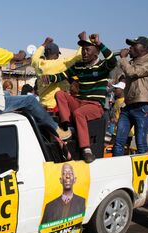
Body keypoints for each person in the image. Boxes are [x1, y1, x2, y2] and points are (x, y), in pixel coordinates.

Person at [0, 27, 71, 140]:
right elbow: (19, 57)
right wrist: (22, 52)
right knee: (30, 100)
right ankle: (56, 130)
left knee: (6, 94)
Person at [46, 33, 117, 163]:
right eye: (83, 49)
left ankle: (86, 149)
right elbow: (64, 74)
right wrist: (50, 78)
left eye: (87, 49)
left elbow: (113, 61)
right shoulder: (79, 66)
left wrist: (100, 44)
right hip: (79, 102)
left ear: (96, 52)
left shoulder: (102, 66)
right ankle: (65, 126)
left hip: (95, 105)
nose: (84, 52)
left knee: (79, 114)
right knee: (60, 94)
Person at [113, 36, 148, 156]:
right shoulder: (132, 62)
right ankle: (117, 168)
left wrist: (123, 58)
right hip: (128, 106)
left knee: (140, 142)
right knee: (118, 141)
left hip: (142, 106)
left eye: (134, 45)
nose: (130, 48)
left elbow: (132, 72)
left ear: (144, 48)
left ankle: (143, 173)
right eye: (130, 45)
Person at [32, 35, 82, 111]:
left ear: (45, 54)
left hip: (43, 106)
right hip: (55, 106)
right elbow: (77, 57)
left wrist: (44, 44)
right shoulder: (58, 64)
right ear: (57, 54)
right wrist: (82, 41)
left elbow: (34, 58)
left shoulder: (38, 63)